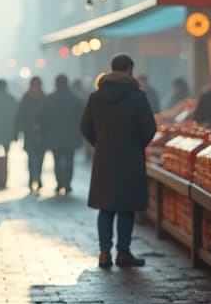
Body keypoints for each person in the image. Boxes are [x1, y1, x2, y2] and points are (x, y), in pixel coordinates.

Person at [81, 54, 157, 268]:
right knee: (126, 207)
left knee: (105, 208)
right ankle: (123, 252)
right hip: (130, 159)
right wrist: (135, 145)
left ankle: (104, 252)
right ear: (129, 69)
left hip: (104, 158)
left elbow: (85, 126)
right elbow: (149, 128)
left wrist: (101, 143)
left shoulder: (96, 97)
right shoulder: (137, 97)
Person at [40, 74, 85, 196]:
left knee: (57, 160)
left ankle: (59, 182)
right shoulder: (75, 99)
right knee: (70, 160)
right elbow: (82, 118)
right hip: (71, 136)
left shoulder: (49, 99)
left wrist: (44, 133)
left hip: (54, 136)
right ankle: (68, 183)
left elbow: (43, 118)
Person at [15, 76, 46, 193]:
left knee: (40, 157)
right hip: (29, 132)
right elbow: (20, 115)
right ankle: (32, 177)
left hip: (42, 134)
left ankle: (38, 177)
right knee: (31, 157)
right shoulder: (26, 98)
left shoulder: (44, 98)